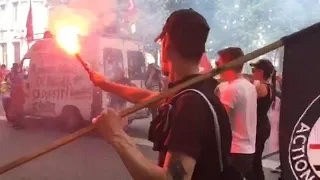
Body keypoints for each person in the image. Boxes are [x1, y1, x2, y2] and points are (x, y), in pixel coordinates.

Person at [91, 8, 232, 179]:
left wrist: (117, 136)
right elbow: (148, 98)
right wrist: (105, 84)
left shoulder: (190, 103)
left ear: (167, 43)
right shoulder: (198, 88)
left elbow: (172, 178)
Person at [216, 47, 258, 179]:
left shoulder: (231, 89)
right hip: (247, 149)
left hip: (234, 150)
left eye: (219, 64)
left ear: (228, 65)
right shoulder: (248, 86)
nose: (217, 68)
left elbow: (219, 121)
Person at [245, 59, 276, 180]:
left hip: (258, 127)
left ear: (261, 72)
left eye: (254, 70)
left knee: (253, 162)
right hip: (262, 125)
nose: (252, 72)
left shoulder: (260, 88)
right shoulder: (268, 86)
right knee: (255, 161)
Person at [5, 63, 25, 130]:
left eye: (14, 68)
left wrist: (12, 84)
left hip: (19, 94)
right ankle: (17, 123)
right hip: (14, 94)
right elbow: (7, 78)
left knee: (19, 110)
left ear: (17, 68)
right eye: (13, 67)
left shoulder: (19, 75)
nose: (13, 69)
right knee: (16, 110)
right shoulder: (13, 74)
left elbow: (20, 85)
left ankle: (21, 124)